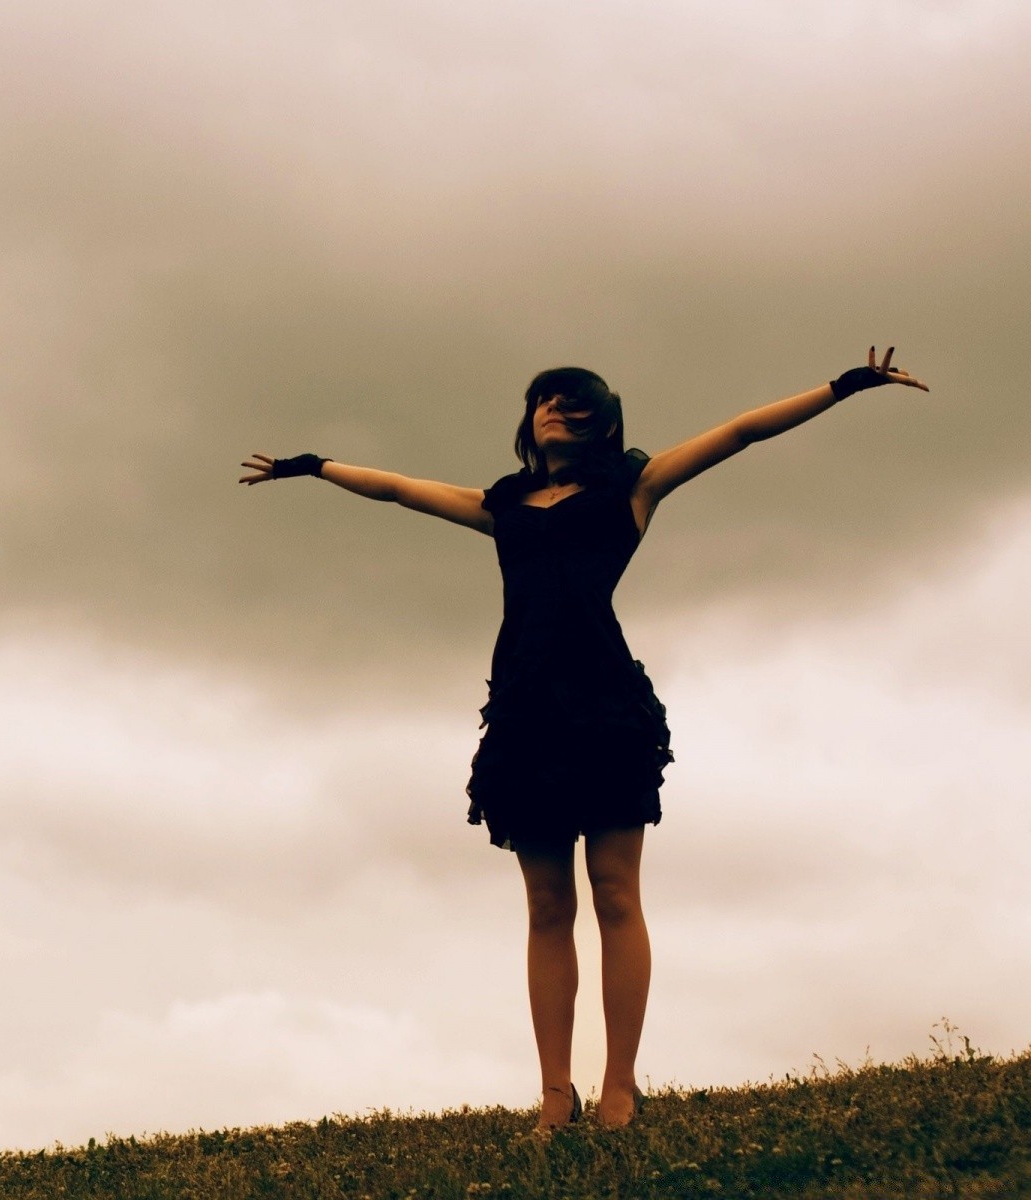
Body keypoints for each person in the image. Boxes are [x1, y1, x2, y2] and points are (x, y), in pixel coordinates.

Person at [236, 347, 929, 1135]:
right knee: (543, 905)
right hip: (525, 711)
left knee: (614, 892)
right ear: (529, 421)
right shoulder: (502, 504)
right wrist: (318, 465)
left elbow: (740, 432)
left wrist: (842, 387)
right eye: (544, 401)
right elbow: (397, 490)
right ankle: (554, 1096)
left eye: (572, 402)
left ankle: (620, 1089)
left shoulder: (635, 487)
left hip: (603, 705)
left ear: (601, 419)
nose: (555, 411)